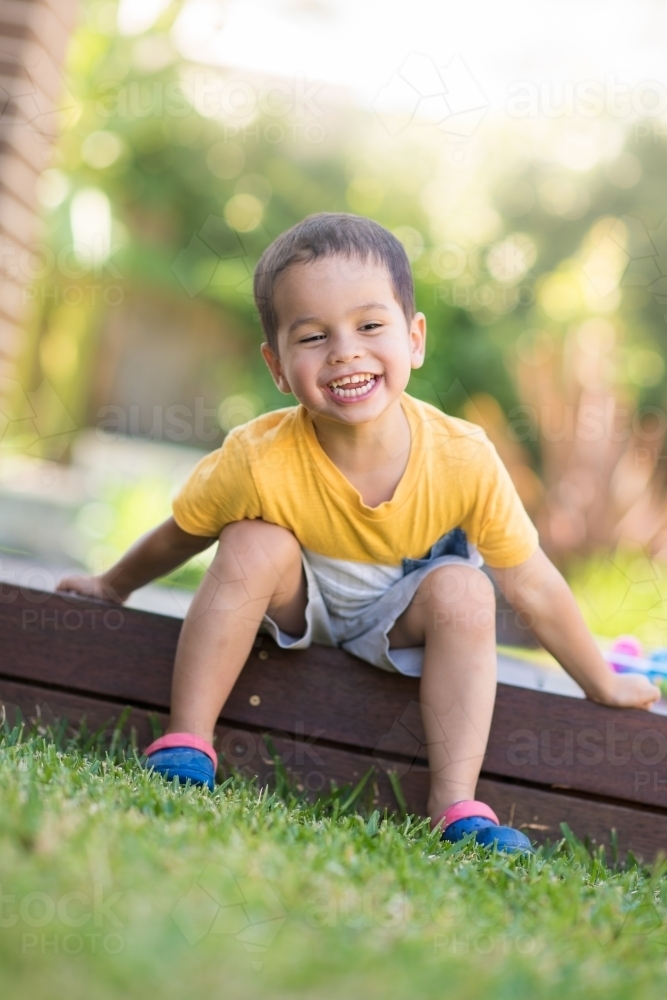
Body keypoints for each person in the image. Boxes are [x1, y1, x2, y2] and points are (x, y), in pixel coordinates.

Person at [57, 213, 660, 853]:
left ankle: (455, 806)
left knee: (466, 589)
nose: (345, 350)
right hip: (298, 600)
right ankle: (187, 744)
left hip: (400, 615)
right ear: (278, 366)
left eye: (370, 326)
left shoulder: (464, 458)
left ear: (415, 338)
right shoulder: (257, 455)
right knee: (252, 540)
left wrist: (599, 679)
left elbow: (530, 581)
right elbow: (182, 533)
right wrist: (111, 586)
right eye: (313, 336)